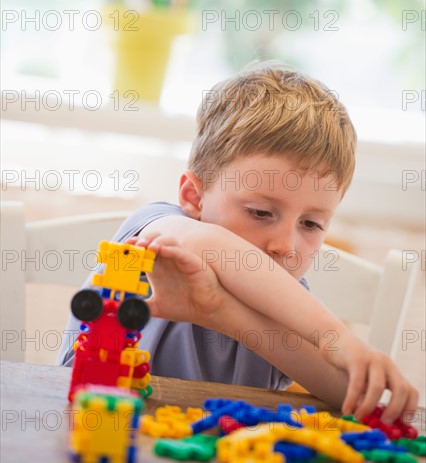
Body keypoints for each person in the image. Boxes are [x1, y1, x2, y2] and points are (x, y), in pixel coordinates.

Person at [58, 63, 418, 423]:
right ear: (194, 197)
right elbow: (212, 246)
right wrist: (333, 337)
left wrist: (223, 315)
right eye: (261, 213)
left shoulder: (290, 303)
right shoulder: (158, 231)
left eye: (310, 223)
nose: (285, 245)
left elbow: (345, 392)